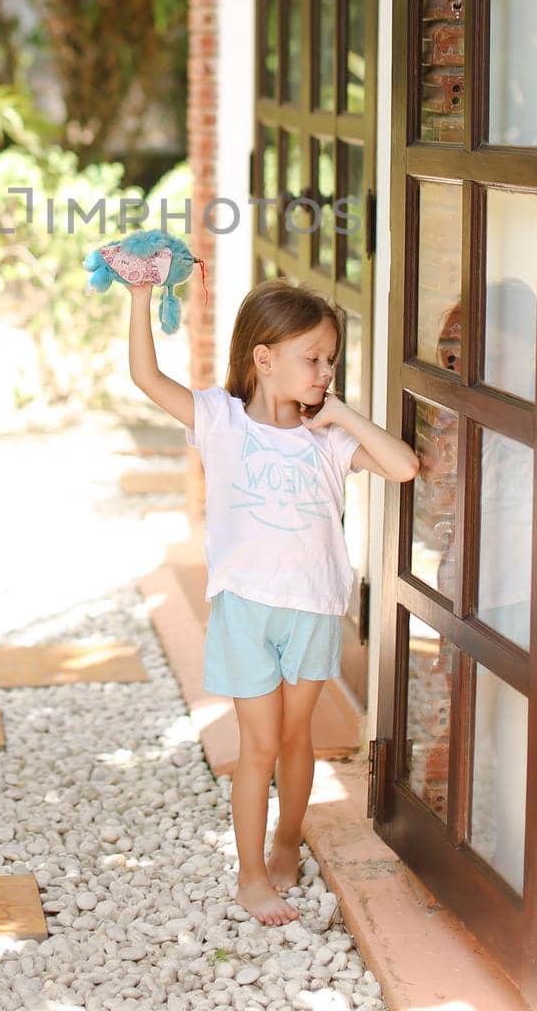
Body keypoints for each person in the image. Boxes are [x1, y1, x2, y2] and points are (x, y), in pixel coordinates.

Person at [127, 276, 420, 926]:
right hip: (244, 607)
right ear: (263, 358)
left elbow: (401, 467)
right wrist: (140, 296)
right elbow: (146, 377)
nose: (324, 371)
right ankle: (251, 876)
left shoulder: (329, 438)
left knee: (295, 739)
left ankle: (288, 839)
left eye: (331, 359)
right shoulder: (219, 419)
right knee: (257, 745)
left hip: (312, 607)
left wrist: (341, 413)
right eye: (311, 358)